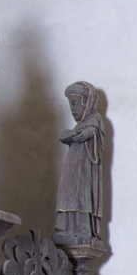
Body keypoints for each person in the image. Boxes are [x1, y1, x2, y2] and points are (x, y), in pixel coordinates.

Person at [55, 81, 105, 249]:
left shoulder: (94, 118)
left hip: (84, 169)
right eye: (70, 104)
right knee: (68, 192)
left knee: (81, 193)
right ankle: (67, 227)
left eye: (75, 103)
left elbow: (94, 131)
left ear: (87, 102)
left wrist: (86, 133)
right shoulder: (79, 125)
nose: (72, 108)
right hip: (72, 166)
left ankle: (83, 229)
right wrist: (69, 135)